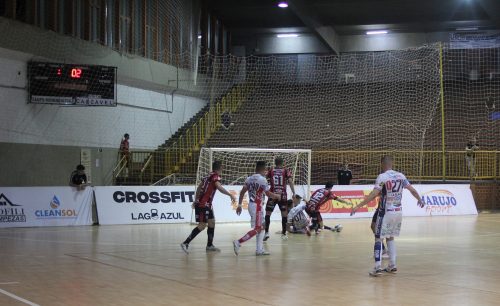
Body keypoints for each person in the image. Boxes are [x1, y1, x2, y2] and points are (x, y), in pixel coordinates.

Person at [351, 156, 425, 277]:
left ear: (382, 164)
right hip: (398, 211)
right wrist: (420, 199)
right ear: (392, 164)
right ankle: (392, 265)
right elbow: (412, 190)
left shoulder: (383, 177)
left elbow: (374, 194)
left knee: (378, 238)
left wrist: (358, 206)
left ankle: (377, 267)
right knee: (390, 237)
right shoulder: (401, 176)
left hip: (385, 212)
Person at [180, 161, 236, 254]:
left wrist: (196, 199)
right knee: (202, 225)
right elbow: (219, 187)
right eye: (222, 168)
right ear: (220, 168)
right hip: (203, 204)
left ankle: (209, 245)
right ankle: (185, 243)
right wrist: (230, 194)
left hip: (207, 204)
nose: (223, 170)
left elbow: (199, 188)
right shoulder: (215, 176)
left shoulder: (207, 176)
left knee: (212, 223)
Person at [233, 161, 281, 256]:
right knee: (259, 228)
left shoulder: (249, 179)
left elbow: (242, 192)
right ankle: (238, 242)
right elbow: (268, 194)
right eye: (265, 170)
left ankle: (259, 250)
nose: (266, 172)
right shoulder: (262, 180)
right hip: (257, 206)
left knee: (262, 226)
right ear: (262, 169)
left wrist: (239, 205)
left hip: (251, 205)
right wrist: (276, 196)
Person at [264, 157, 296, 241]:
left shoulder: (271, 170)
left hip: (272, 195)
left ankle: (266, 233)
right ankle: (284, 234)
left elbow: (264, 180)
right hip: (282, 195)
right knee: (284, 215)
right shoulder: (285, 170)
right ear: (282, 163)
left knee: (268, 214)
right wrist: (294, 193)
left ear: (275, 162)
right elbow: (290, 181)